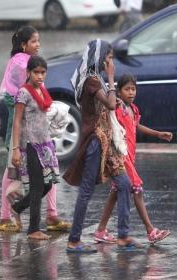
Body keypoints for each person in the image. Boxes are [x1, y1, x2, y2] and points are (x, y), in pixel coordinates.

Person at [0, 26, 70, 233]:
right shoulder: (23, 64)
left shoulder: (22, 61)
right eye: (34, 41)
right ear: (23, 44)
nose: (38, 44)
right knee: (15, 167)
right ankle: (7, 216)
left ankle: (50, 214)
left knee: (48, 169)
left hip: (37, 128)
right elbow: (26, 100)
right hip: (25, 128)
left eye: (39, 40)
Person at [64, 39, 136, 253]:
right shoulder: (92, 81)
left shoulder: (96, 80)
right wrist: (112, 78)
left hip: (108, 141)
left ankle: (123, 235)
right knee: (86, 191)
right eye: (109, 58)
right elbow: (111, 104)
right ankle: (74, 240)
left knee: (124, 184)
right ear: (100, 58)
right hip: (95, 141)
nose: (111, 62)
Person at [94, 74, 172, 244]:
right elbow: (110, 107)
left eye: (133, 89)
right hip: (121, 157)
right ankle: (151, 231)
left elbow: (136, 126)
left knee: (116, 192)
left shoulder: (133, 109)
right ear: (119, 92)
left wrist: (158, 134)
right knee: (137, 189)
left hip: (130, 156)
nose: (131, 93)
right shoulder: (118, 108)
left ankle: (100, 230)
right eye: (127, 89)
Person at [10, 55, 60, 240]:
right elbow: (16, 122)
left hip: (44, 143)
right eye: (36, 72)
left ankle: (18, 207)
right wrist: (16, 148)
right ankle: (33, 230)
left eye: (43, 72)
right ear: (28, 72)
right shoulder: (24, 93)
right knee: (38, 185)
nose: (40, 76)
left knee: (47, 185)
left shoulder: (42, 90)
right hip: (29, 144)